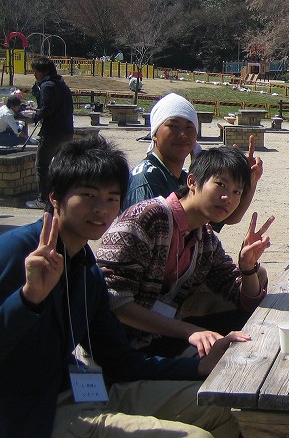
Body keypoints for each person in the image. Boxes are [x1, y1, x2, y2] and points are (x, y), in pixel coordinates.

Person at [0, 136, 247, 437]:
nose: (101, 209)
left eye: (112, 198)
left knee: (226, 409)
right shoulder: (17, 252)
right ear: (55, 197)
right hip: (33, 414)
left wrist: (198, 368)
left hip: (89, 391)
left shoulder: (86, 268)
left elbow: (120, 361)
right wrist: (27, 301)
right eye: (88, 195)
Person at [98, 146, 274, 357]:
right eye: (221, 185)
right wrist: (190, 331)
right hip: (120, 347)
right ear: (192, 181)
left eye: (237, 192)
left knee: (252, 327)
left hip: (160, 336)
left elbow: (243, 300)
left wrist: (247, 267)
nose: (228, 198)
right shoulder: (148, 218)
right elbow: (115, 301)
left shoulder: (205, 238)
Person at [124, 92, 263, 227]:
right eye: (173, 126)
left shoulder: (183, 175)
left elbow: (225, 217)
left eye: (189, 127)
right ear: (154, 133)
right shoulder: (146, 180)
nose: (183, 134)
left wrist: (249, 180)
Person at [22, 57, 74, 209]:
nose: (34, 75)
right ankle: (61, 196)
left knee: (42, 165)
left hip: (52, 131)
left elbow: (47, 108)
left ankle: (43, 199)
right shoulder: (62, 85)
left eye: (36, 72)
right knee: (61, 165)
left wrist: (35, 116)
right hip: (66, 130)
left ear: (44, 72)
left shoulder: (47, 86)